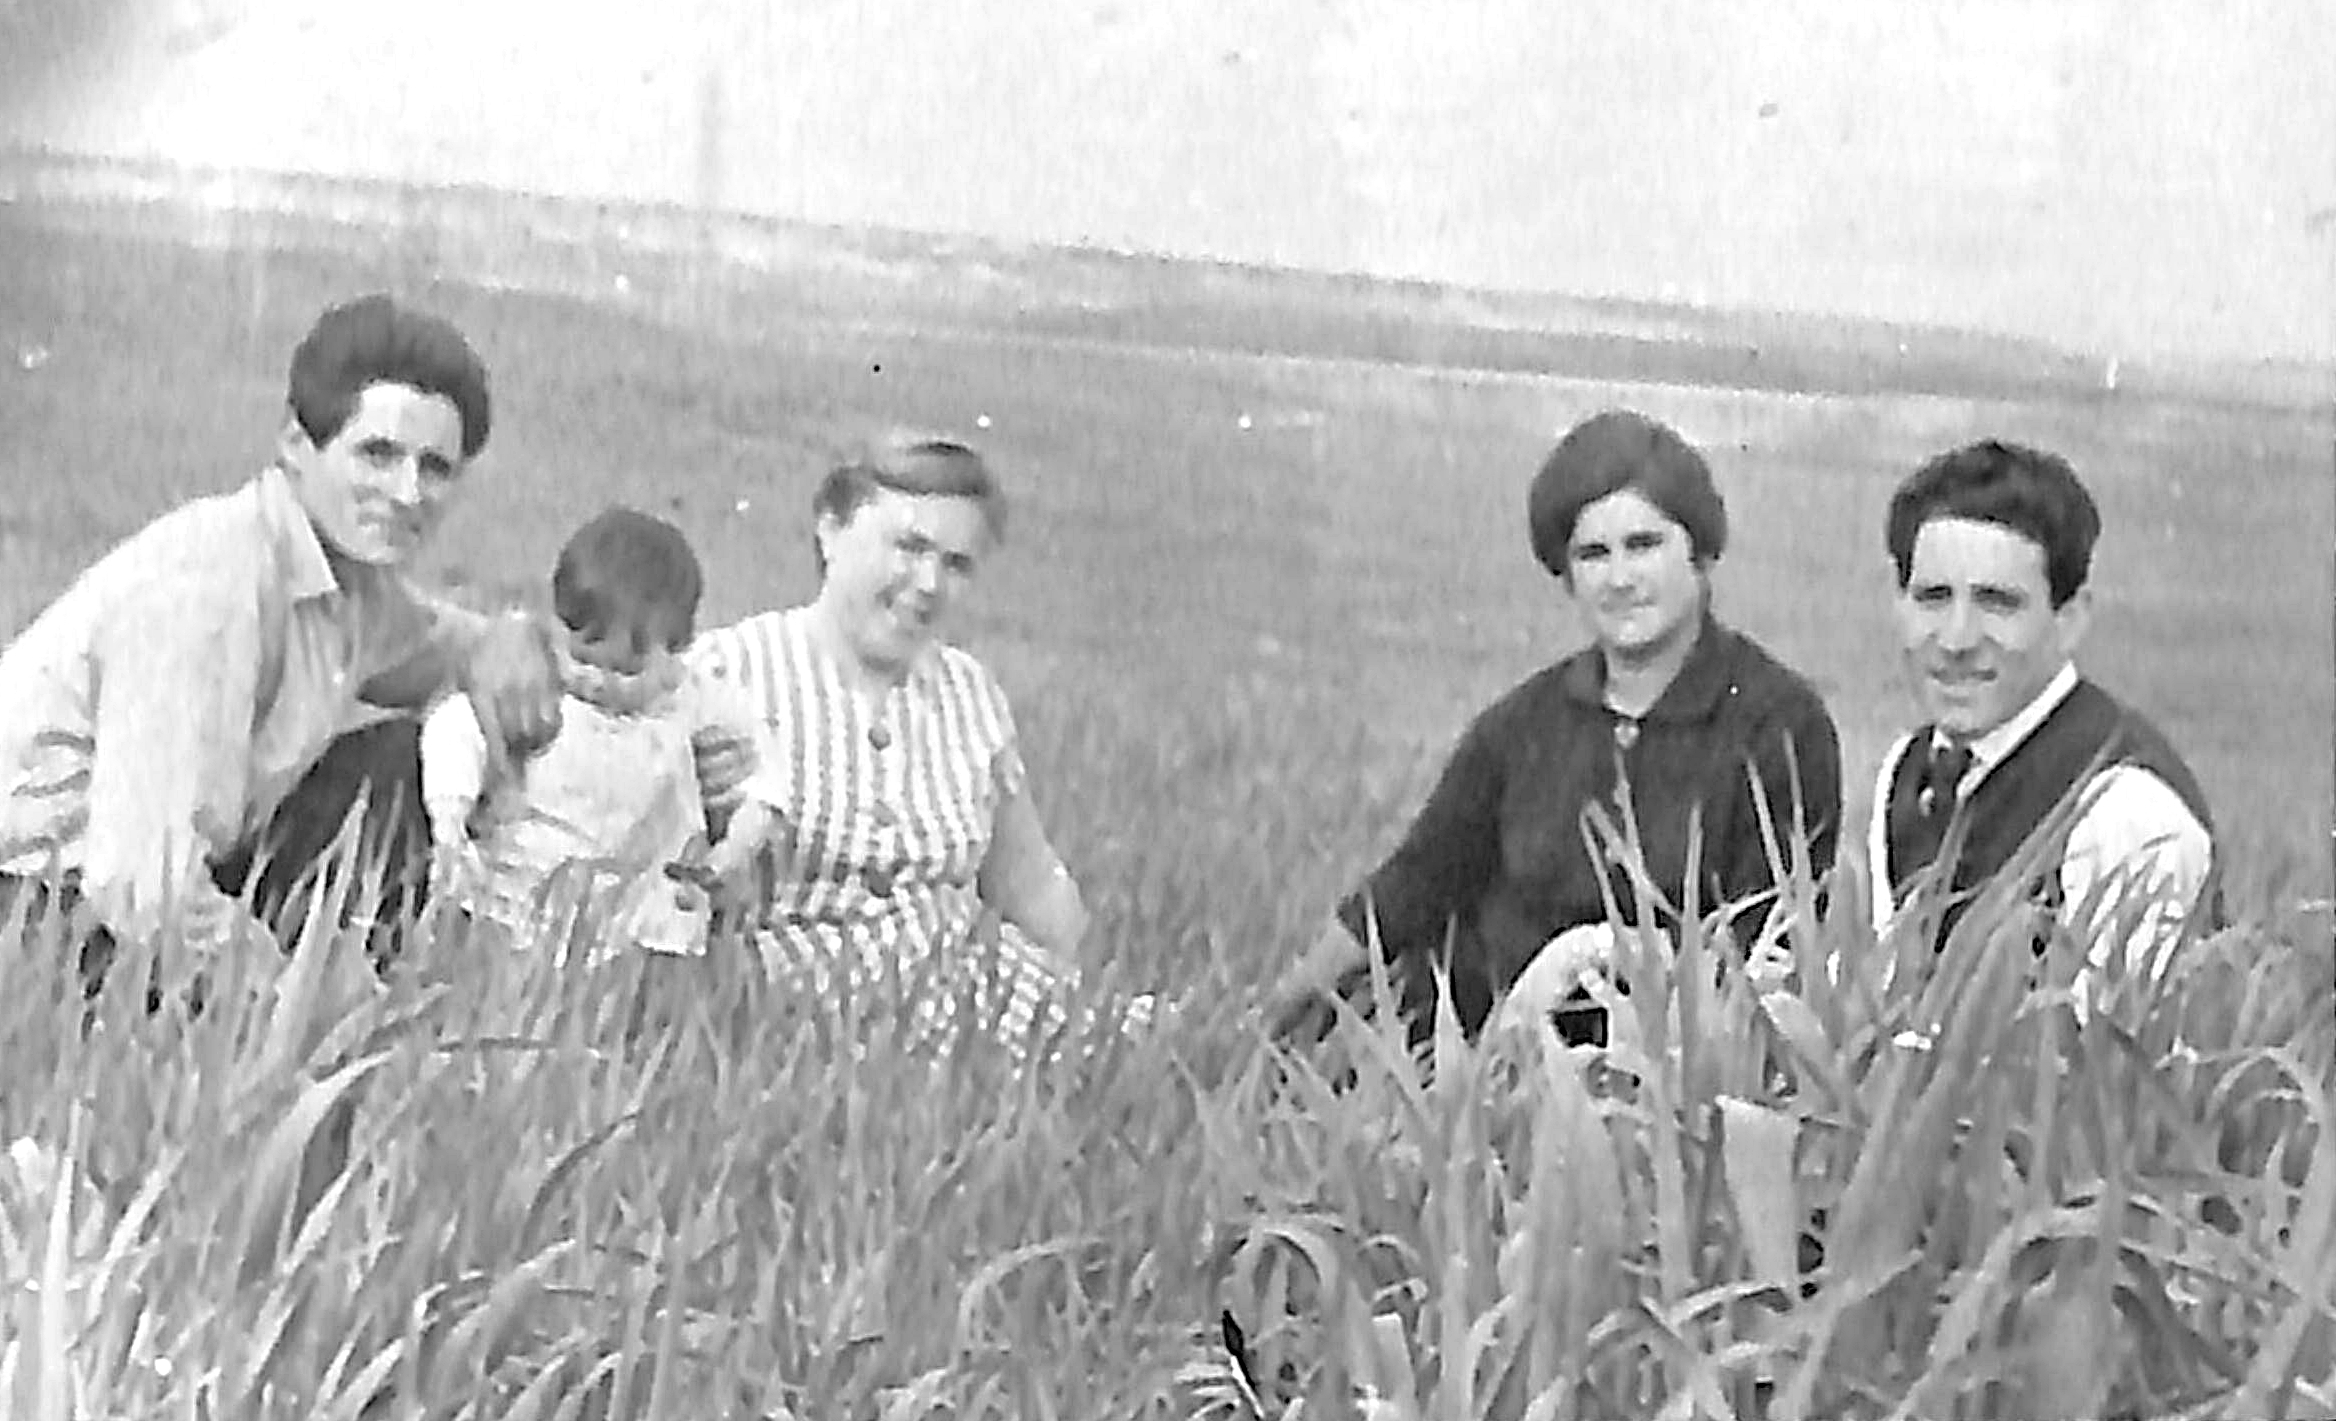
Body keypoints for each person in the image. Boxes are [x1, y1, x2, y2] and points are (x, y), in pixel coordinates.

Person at [0, 293, 570, 997]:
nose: (406, 492)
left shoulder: (350, 582)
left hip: (132, 895)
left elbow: (454, 649)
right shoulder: (210, 588)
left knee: (395, 767)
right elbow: (142, 882)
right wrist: (306, 999)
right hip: (40, 901)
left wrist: (514, 635)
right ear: (297, 446)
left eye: (436, 468)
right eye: (378, 454)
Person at [1263, 410, 1842, 1049]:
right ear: (1566, 575)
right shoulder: (1521, 726)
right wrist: (1271, 1020)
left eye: (1644, 545)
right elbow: (1410, 886)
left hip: (1663, 1073)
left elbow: (1767, 947)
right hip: (1480, 1056)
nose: (1620, 579)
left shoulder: (1779, 725)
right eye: (1593, 554)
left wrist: (1580, 957)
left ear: (1700, 552)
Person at [690, 432, 1155, 1059]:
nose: (930, 583)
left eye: (957, 564)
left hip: (976, 992)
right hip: (799, 1014)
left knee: (1157, 1058)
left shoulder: (968, 691)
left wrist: (1087, 986)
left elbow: (1029, 881)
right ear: (830, 530)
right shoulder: (724, 673)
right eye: (909, 547)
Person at [1866, 438, 2215, 986]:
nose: (1957, 639)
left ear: (2071, 619)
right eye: (1933, 597)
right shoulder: (1907, 768)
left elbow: (2113, 1054)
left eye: (1997, 603)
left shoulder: (2126, 810)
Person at [421, 507, 776, 963]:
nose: (599, 681)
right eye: (583, 660)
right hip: (515, 906)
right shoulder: (542, 694)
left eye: (627, 670)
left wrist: (737, 844)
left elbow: (761, 767)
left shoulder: (691, 702)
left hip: (639, 923)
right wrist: (450, 822)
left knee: (643, 997)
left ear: (678, 652)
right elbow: (455, 732)